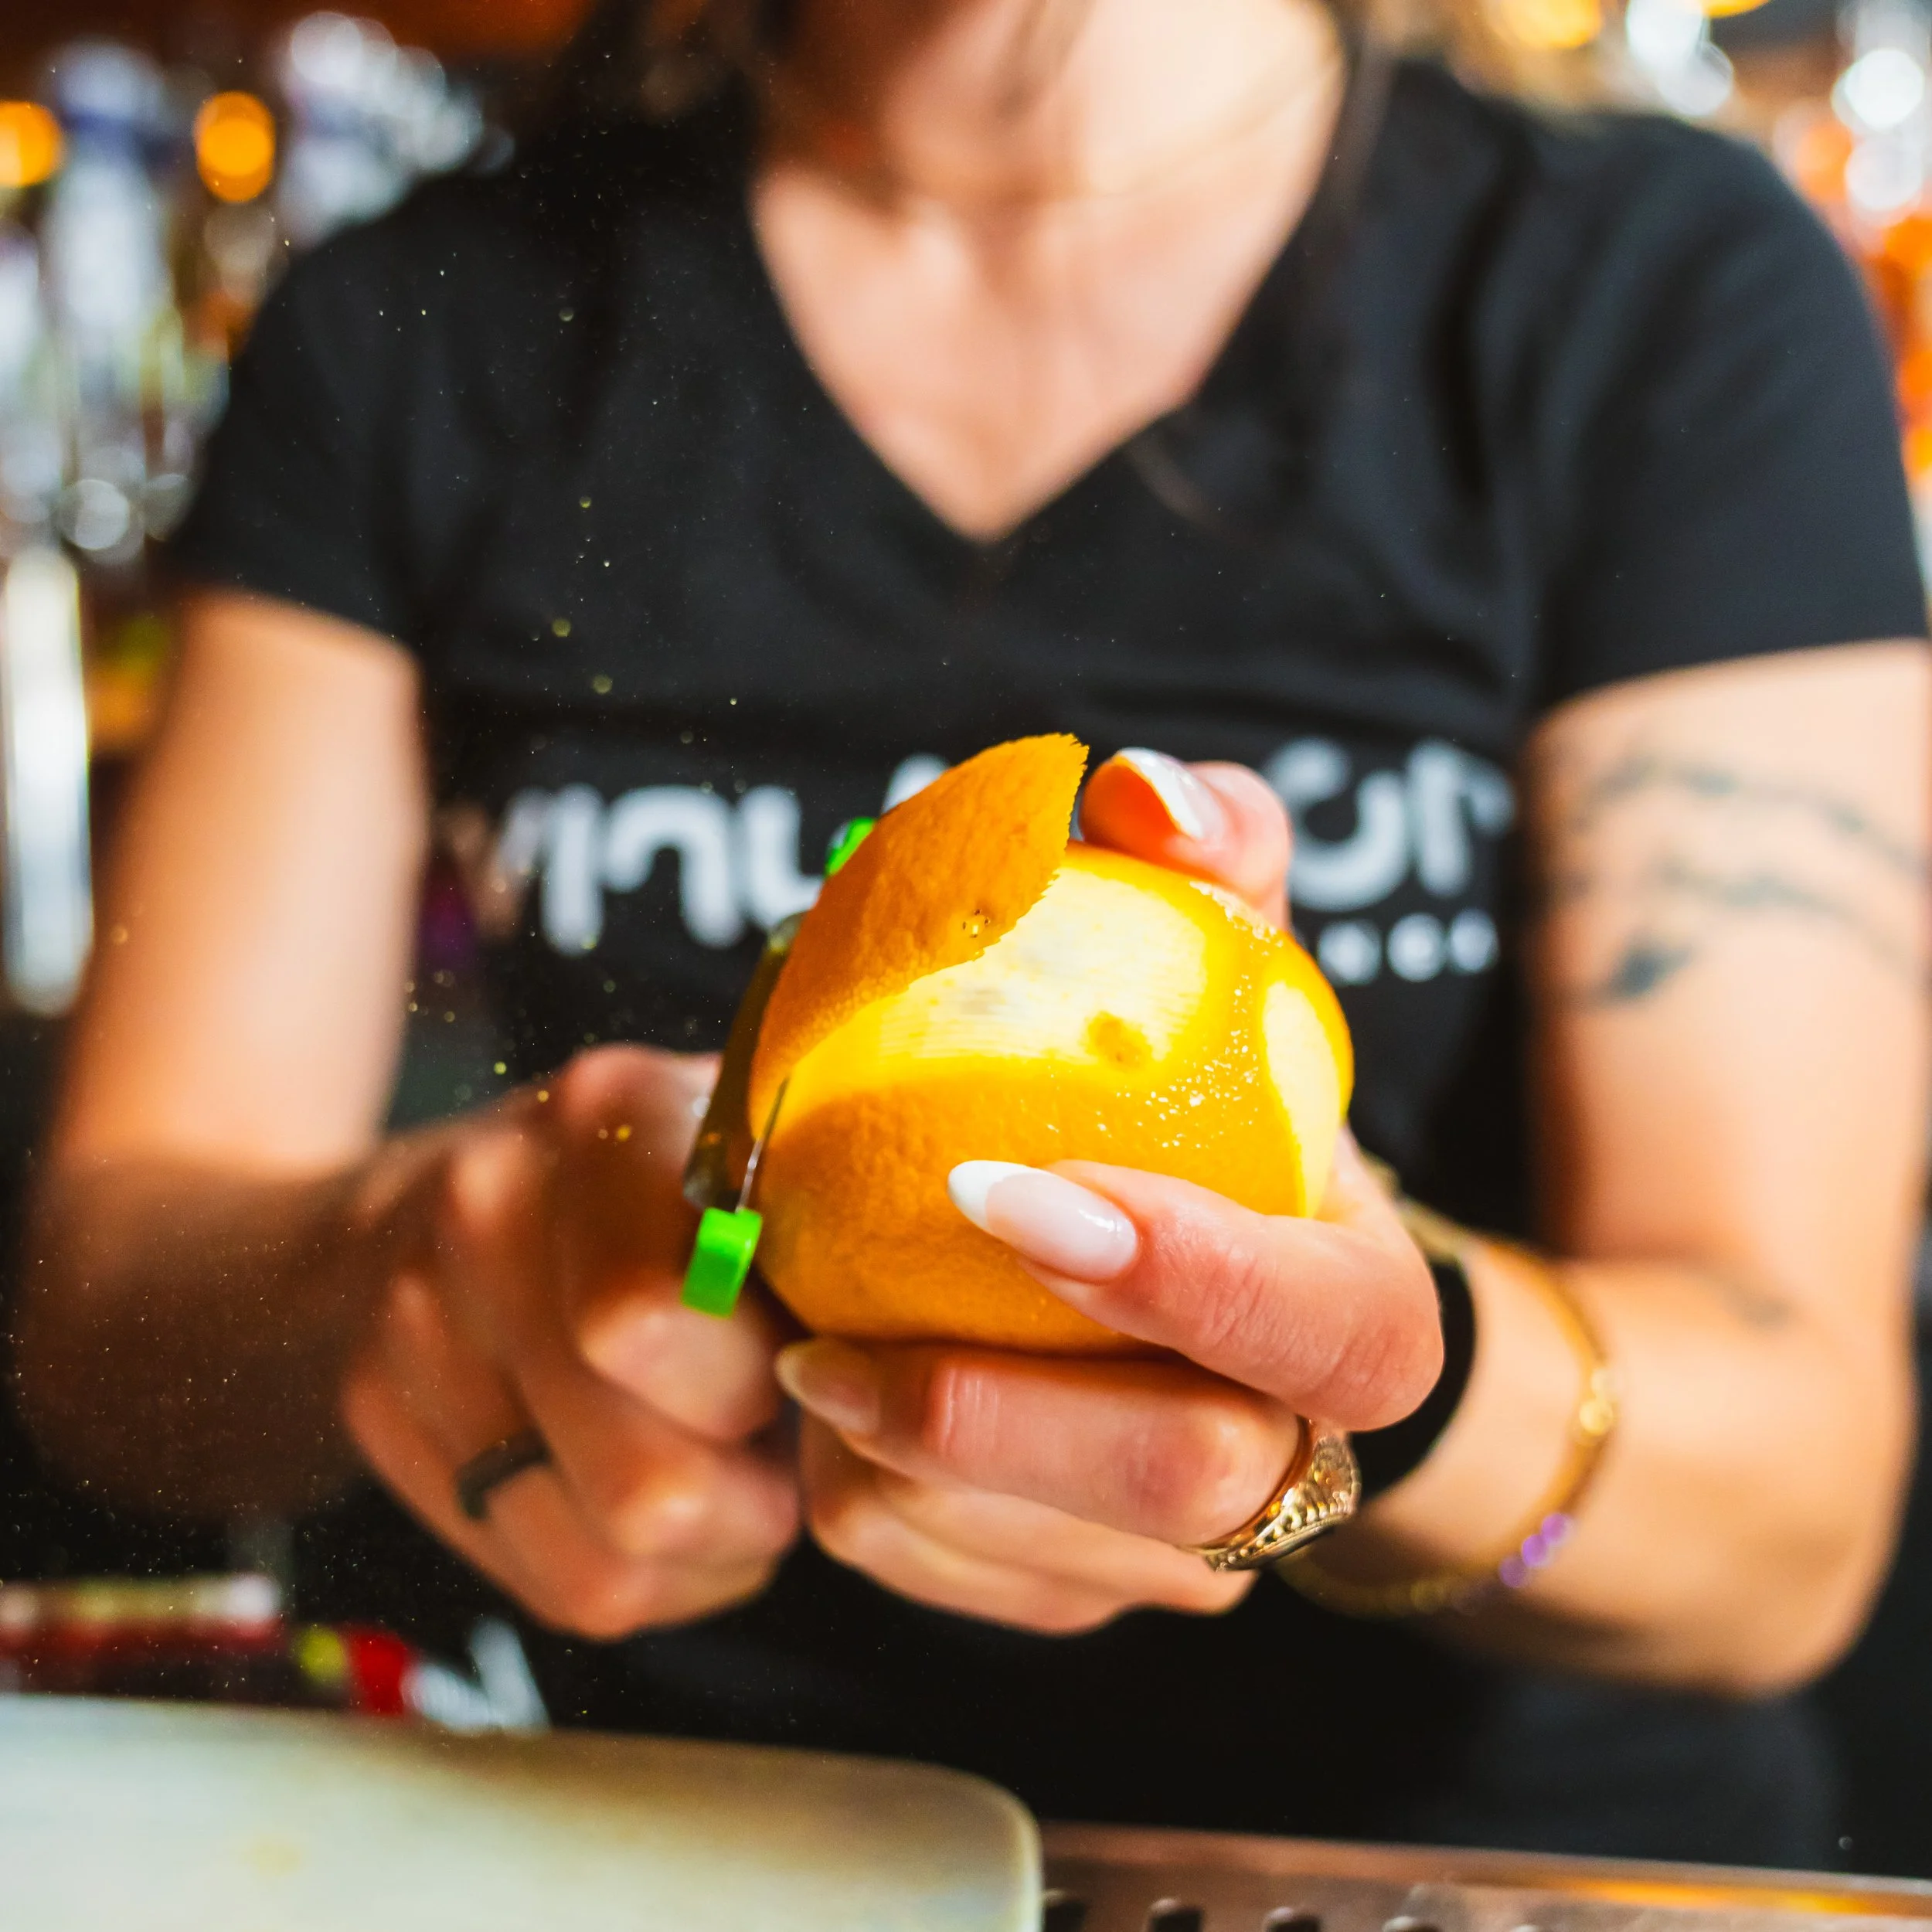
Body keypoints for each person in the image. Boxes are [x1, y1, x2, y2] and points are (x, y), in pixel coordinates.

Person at [15, 0, 1930, 1866]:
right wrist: (411, 1261)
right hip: (650, 1834)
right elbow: (108, 1304)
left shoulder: (1651, 285)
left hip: (1437, 1856)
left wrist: (1364, 1374)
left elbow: (1786, 1523)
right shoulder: (420, 319)